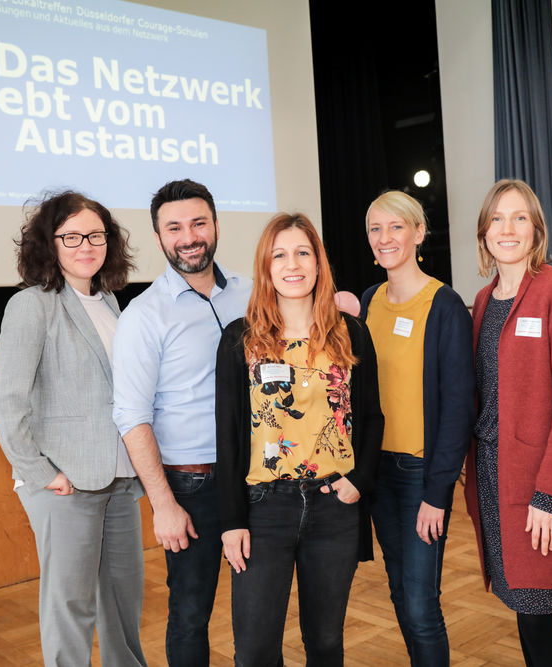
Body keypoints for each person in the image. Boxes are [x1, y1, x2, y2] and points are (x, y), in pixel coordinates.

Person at [0, 191, 146, 667]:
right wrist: (39, 473)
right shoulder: (32, 305)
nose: (86, 245)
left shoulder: (112, 302)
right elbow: (2, 401)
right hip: (64, 484)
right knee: (70, 605)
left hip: (118, 477)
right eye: (71, 236)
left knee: (123, 603)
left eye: (96, 235)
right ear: (48, 244)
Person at [216, 213, 384, 666]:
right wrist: (231, 520)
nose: (293, 264)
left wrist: (359, 481)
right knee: (254, 651)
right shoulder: (241, 339)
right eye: (280, 255)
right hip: (263, 510)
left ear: (318, 263)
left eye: (303, 253)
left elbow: (371, 416)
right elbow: (228, 438)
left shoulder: (351, 333)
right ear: (266, 267)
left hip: (334, 508)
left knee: (326, 645)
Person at [113, 179, 251, 666]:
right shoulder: (144, 316)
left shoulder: (253, 293)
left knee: (257, 612)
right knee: (191, 613)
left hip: (257, 479)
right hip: (192, 487)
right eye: (174, 227)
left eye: (198, 223)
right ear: (159, 237)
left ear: (215, 225)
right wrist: (163, 504)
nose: (188, 236)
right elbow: (132, 416)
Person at [464, 179, 552, 666]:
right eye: (497, 218)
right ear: (484, 232)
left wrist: (550, 495)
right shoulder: (483, 301)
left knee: (541, 624)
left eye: (520, 218)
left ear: (536, 230)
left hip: (539, 488)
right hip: (494, 482)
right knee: (525, 616)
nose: (508, 228)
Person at [357, 191, 474, 664]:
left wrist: (437, 492)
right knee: (400, 593)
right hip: (377, 474)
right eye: (375, 229)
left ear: (419, 233)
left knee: (423, 603)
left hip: (421, 475)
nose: (385, 238)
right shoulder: (369, 301)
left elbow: (458, 406)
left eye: (396, 227)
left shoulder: (444, 303)